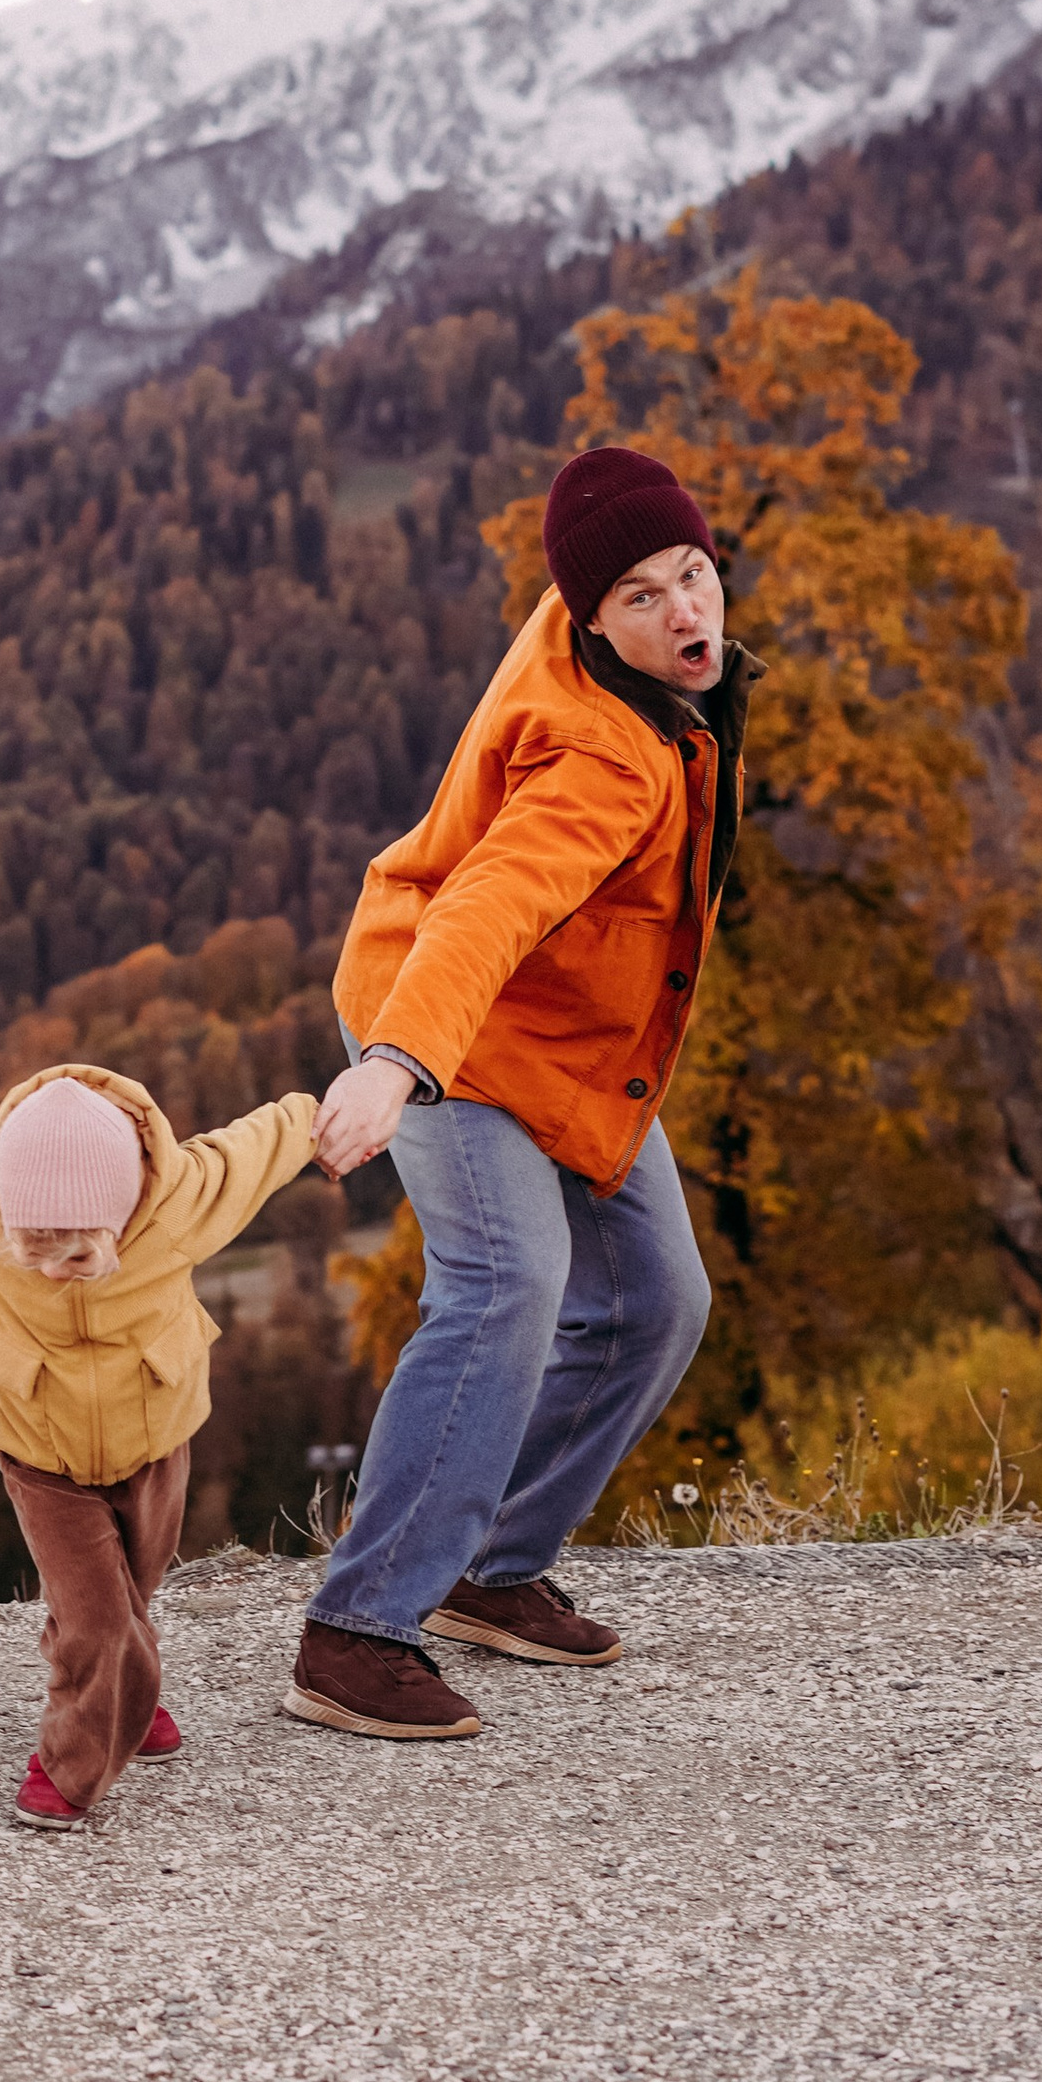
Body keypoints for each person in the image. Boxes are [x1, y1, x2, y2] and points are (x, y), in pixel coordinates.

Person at [287, 442, 753, 1742]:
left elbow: (610, 525)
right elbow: (490, 907)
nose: (687, 614)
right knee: (508, 1283)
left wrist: (624, 533)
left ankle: (489, 1569)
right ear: (592, 621)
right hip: (442, 1019)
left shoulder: (610, 623)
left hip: (564, 1041)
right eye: (647, 599)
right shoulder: (601, 761)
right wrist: (396, 1063)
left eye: (697, 577)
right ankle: (358, 1631)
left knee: (660, 1300)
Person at [0, 1061, 319, 1826]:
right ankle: (70, 1769)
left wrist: (322, 1122)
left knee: (135, 1589)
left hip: (157, 1438)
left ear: (123, 1213)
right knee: (95, 1618)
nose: (52, 1270)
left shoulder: (178, 1202)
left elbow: (253, 1149)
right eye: (30, 1250)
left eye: (75, 1254)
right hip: (40, 1454)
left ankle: (133, 1696)